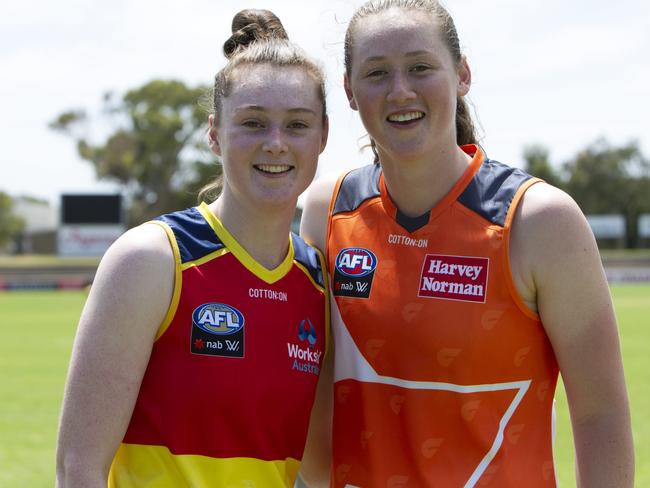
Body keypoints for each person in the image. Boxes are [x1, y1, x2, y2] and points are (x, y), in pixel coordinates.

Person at [300, 0, 634, 486]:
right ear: (350, 92)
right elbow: (313, 407)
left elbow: (600, 411)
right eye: (377, 73)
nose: (400, 90)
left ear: (462, 75)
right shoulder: (326, 210)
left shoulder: (540, 221)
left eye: (420, 67)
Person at [56, 9, 331, 487]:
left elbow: (318, 469)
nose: (275, 143)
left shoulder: (317, 281)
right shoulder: (152, 260)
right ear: (214, 134)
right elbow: (78, 469)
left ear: (323, 136)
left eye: (297, 125)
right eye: (253, 123)